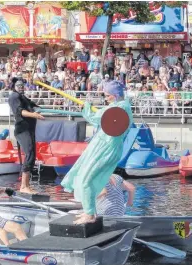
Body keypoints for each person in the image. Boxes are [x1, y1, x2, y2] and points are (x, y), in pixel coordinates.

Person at [61, 80, 133, 224]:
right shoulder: (119, 107)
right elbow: (101, 119)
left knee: (87, 180)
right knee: (86, 179)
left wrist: (87, 107)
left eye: (107, 95)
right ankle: (90, 211)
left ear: (115, 95)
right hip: (103, 147)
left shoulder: (119, 109)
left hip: (106, 149)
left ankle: (89, 214)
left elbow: (96, 118)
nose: (106, 98)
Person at [8, 81, 44, 194]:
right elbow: (20, 112)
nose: (21, 87)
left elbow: (33, 105)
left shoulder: (23, 97)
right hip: (22, 130)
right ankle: (23, 186)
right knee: (29, 154)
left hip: (29, 130)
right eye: (19, 86)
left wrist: (38, 109)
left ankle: (26, 185)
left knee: (32, 155)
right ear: (14, 87)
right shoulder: (14, 97)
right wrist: (34, 115)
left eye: (22, 86)